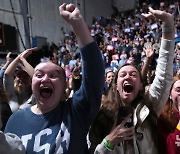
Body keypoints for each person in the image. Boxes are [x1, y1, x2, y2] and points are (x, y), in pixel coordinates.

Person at [4, 3, 104, 154]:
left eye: (53, 75)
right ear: (32, 84)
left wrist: (77, 24)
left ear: (64, 85)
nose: (45, 79)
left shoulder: (76, 111)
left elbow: (94, 74)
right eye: (39, 75)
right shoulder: (15, 121)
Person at [94, 7, 175, 154]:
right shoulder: (102, 117)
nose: (128, 77)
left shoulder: (150, 106)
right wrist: (108, 143)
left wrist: (168, 25)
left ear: (140, 86)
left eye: (133, 74)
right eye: (123, 75)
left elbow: (164, 76)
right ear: (116, 86)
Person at [3, 48, 36, 112]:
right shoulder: (11, 93)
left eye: (25, 77)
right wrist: (19, 57)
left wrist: (23, 60)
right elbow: (7, 74)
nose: (21, 79)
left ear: (31, 81)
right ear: (15, 79)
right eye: (19, 76)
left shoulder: (34, 96)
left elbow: (36, 77)